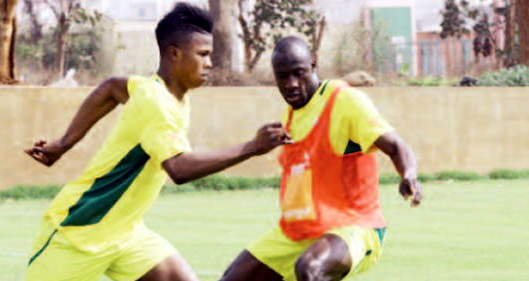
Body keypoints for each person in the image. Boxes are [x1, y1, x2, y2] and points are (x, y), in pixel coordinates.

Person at [23, 3, 290, 281]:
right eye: (203, 54)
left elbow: (111, 88)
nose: (210, 63)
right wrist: (251, 147)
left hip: (125, 233)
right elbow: (179, 168)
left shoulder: (156, 90)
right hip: (79, 230)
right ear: (175, 53)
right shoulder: (156, 102)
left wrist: (64, 144)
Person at [220, 36, 424, 281]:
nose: (291, 84)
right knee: (233, 278)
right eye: (282, 76)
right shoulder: (290, 116)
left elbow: (396, 145)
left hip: (355, 227)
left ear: (314, 65)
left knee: (311, 269)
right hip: (300, 232)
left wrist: (409, 175)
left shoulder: (345, 101)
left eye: (299, 73)